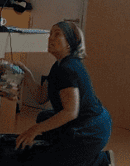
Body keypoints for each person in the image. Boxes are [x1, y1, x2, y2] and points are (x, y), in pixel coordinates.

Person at [15, 20, 115, 166]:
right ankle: (85, 155)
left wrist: (33, 130)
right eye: (50, 34)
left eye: (57, 35)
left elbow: (70, 112)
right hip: (88, 122)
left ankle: (101, 161)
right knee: (43, 117)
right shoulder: (58, 65)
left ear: (70, 42)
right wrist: (27, 74)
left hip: (92, 130)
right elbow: (40, 96)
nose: (50, 38)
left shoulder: (67, 69)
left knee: (46, 161)